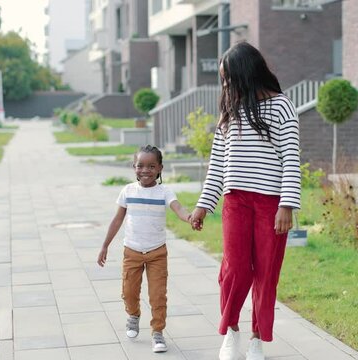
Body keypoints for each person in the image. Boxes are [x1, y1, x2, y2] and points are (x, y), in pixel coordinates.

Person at [189, 42, 301, 360]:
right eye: (223, 80)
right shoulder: (229, 113)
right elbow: (217, 169)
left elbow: (291, 159)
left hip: (270, 204)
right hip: (235, 202)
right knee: (235, 269)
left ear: (246, 74)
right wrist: (202, 206)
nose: (226, 85)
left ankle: (255, 338)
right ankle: (232, 331)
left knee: (266, 274)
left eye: (228, 79)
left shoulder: (282, 107)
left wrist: (287, 205)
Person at [97, 145, 191, 353]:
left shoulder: (164, 191)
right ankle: (133, 314)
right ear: (134, 167)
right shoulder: (128, 191)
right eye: (140, 165)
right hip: (132, 251)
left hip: (157, 252)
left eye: (151, 166)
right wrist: (105, 245)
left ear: (160, 168)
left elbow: (178, 208)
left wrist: (190, 218)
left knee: (158, 295)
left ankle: (158, 333)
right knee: (129, 292)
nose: (145, 170)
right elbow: (117, 219)